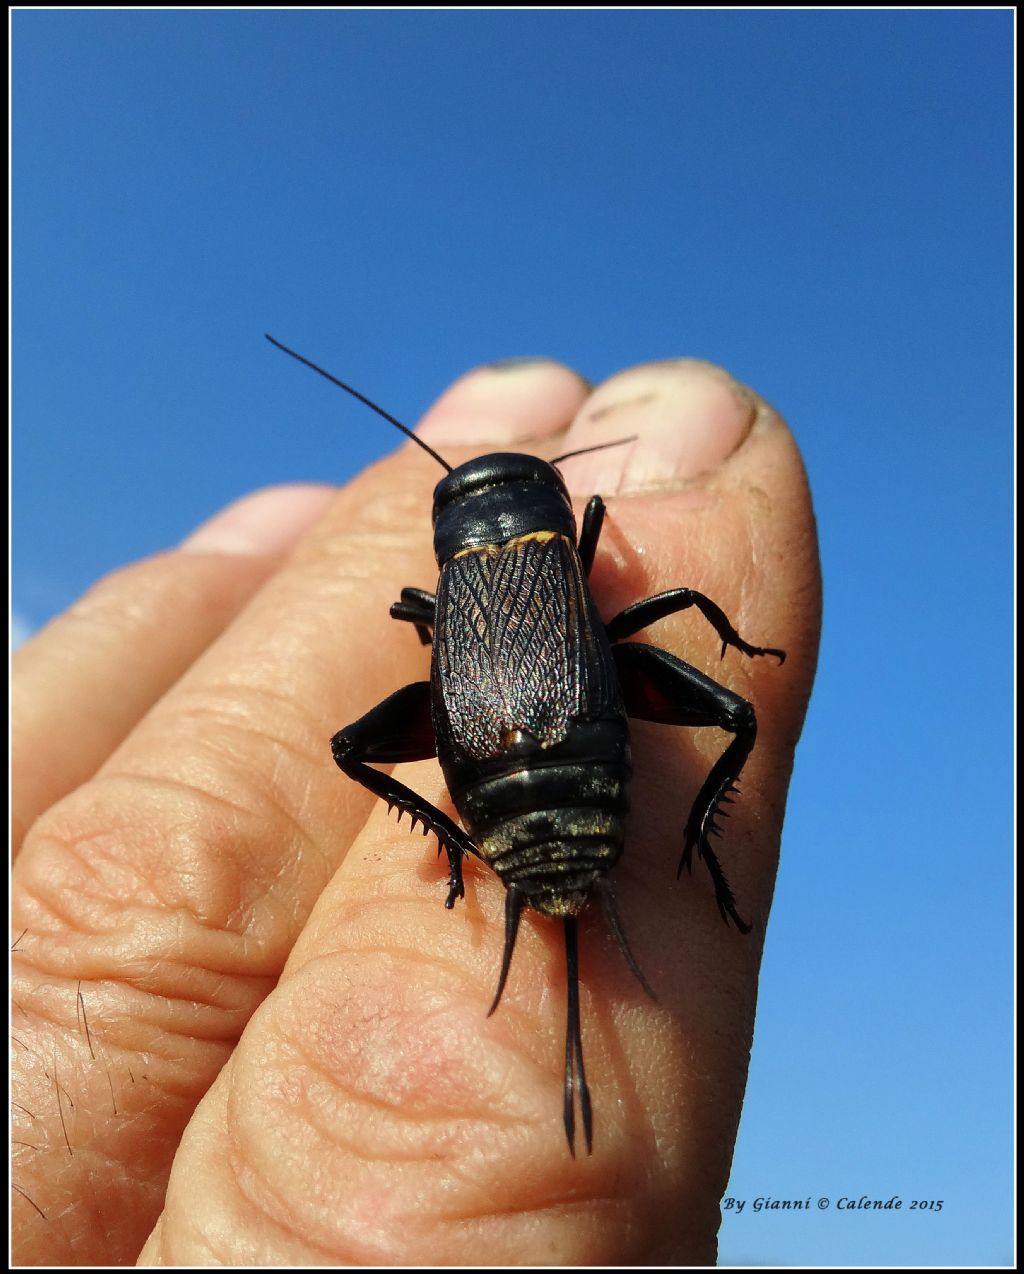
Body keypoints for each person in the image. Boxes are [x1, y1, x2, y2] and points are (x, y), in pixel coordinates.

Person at [12, 356, 820, 1265]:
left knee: (352, 745)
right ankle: (694, 852)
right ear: (560, 512)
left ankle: (458, 848)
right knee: (736, 715)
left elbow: (417, 617)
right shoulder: (578, 540)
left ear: (450, 530)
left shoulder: (436, 590)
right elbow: (687, 600)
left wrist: (446, 674)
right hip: (585, 745)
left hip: (488, 772)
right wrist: (731, 640)